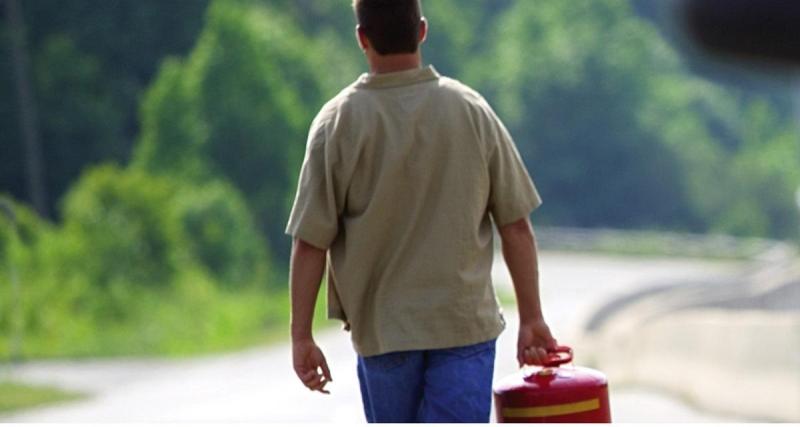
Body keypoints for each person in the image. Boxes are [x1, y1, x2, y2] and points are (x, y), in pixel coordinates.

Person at [286, 0, 557, 422]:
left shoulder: (337, 123)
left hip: (385, 334)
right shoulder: (471, 110)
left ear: (362, 39)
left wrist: (301, 336)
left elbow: (310, 243)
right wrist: (532, 317)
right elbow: (516, 226)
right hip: (463, 326)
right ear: (423, 31)